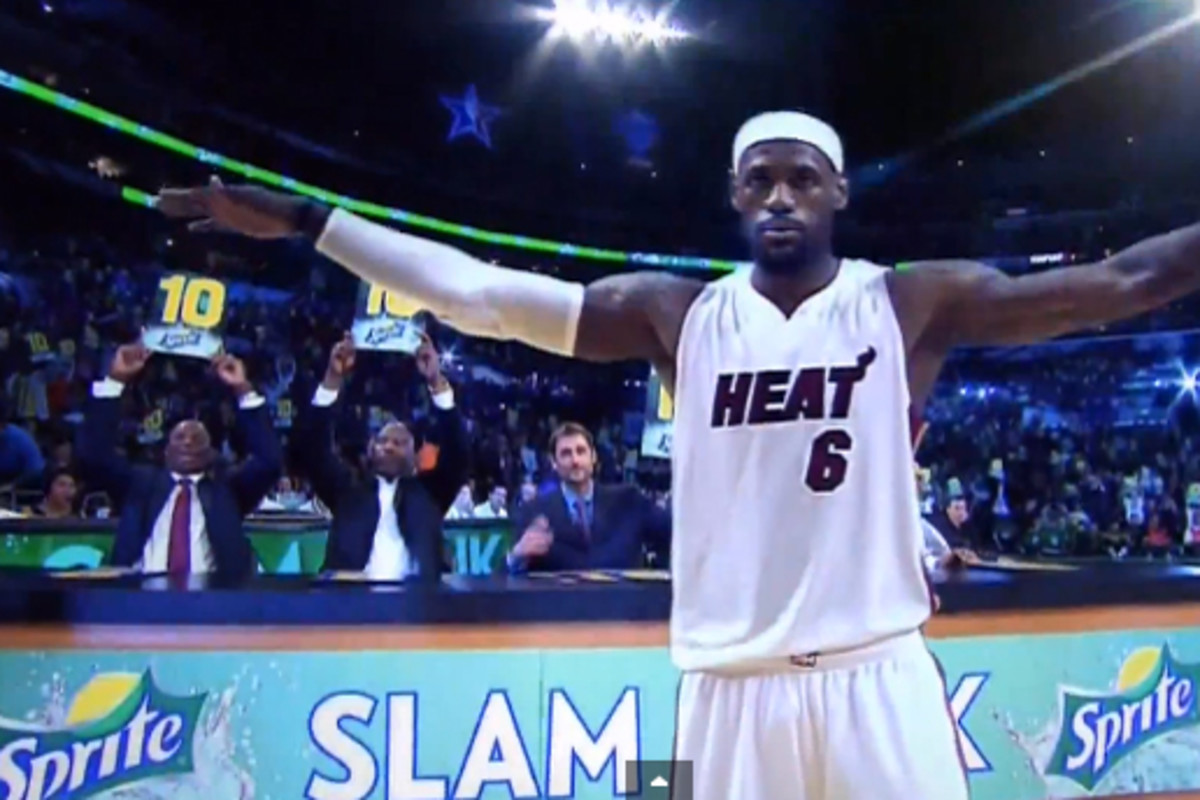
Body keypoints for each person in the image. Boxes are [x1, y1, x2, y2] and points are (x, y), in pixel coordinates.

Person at [157, 110, 1200, 799]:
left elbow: (1118, 283)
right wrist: (311, 221)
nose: (781, 196)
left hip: (881, 675)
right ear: (736, 197)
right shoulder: (677, 315)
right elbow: (482, 296)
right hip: (726, 686)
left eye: (802, 179)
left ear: (838, 192)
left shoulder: (905, 302)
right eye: (761, 180)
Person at [77, 342, 282, 576]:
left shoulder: (226, 489)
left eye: (197, 437)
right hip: (139, 592)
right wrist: (115, 380)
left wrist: (242, 389)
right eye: (180, 436)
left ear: (210, 453)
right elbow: (93, 455)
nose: (188, 441)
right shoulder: (140, 484)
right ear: (166, 451)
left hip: (211, 594)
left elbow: (269, 461)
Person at [295, 332, 468, 581]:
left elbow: (459, 452)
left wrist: (436, 382)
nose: (388, 446)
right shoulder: (347, 490)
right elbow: (314, 449)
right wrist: (332, 379)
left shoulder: (431, 491)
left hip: (417, 599)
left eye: (399, 442)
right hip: (352, 598)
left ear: (415, 455)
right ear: (369, 449)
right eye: (381, 441)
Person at [507, 421, 670, 573]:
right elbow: (505, 576)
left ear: (593, 457)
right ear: (554, 463)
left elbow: (673, 534)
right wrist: (516, 556)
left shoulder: (629, 501)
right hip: (562, 595)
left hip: (621, 594)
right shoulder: (533, 511)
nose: (575, 461)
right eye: (566, 454)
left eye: (581, 451)